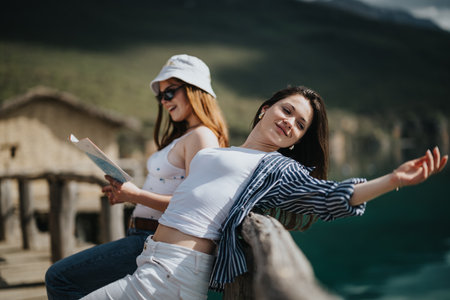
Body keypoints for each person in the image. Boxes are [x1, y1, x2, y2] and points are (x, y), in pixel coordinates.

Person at [82, 86, 447, 300]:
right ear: (264, 110)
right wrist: (135, 194)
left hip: (175, 273)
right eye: (286, 110)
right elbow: (191, 201)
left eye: (300, 124)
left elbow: (328, 196)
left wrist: (392, 179)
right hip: (152, 259)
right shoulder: (216, 152)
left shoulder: (276, 168)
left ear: (298, 139)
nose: (290, 121)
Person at [45, 54, 229, 299]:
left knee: (59, 278)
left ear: (195, 89)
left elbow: (195, 205)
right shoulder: (187, 135)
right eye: (160, 95)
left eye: (169, 92)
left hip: (151, 239)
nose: (163, 101)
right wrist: (129, 195)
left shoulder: (202, 136)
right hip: (141, 236)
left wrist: (136, 195)